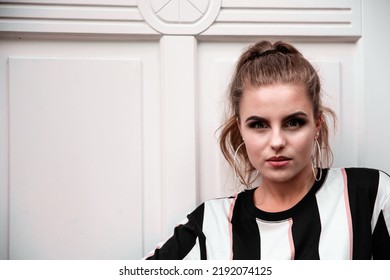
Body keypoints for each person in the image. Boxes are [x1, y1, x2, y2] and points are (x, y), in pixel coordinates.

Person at [145, 40, 390, 260]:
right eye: (259, 125)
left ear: (317, 123)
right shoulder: (210, 224)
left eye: (293, 122)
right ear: (240, 128)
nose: (277, 141)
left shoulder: (370, 194)